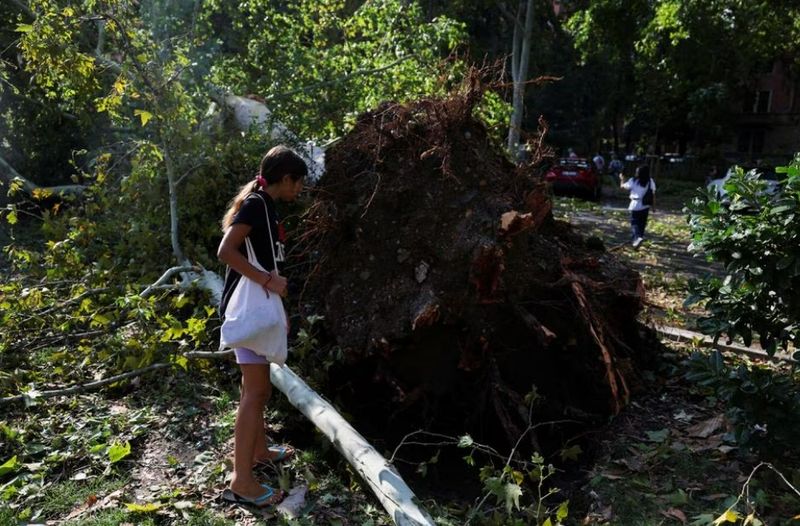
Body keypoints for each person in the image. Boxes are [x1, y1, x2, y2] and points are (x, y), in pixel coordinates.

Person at [217, 145, 306, 507]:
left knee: (256, 390)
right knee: (255, 394)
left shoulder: (264, 206)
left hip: (258, 308)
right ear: (286, 179)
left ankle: (259, 451)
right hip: (250, 307)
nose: (299, 190)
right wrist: (269, 283)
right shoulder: (257, 204)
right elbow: (226, 251)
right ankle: (242, 481)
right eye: (298, 183)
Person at [619, 164, 655, 248]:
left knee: (634, 224)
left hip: (635, 205)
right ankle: (637, 241)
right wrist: (653, 207)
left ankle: (637, 239)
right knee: (642, 224)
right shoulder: (650, 181)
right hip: (645, 206)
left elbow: (622, 187)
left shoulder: (633, 181)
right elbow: (653, 195)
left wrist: (622, 179)